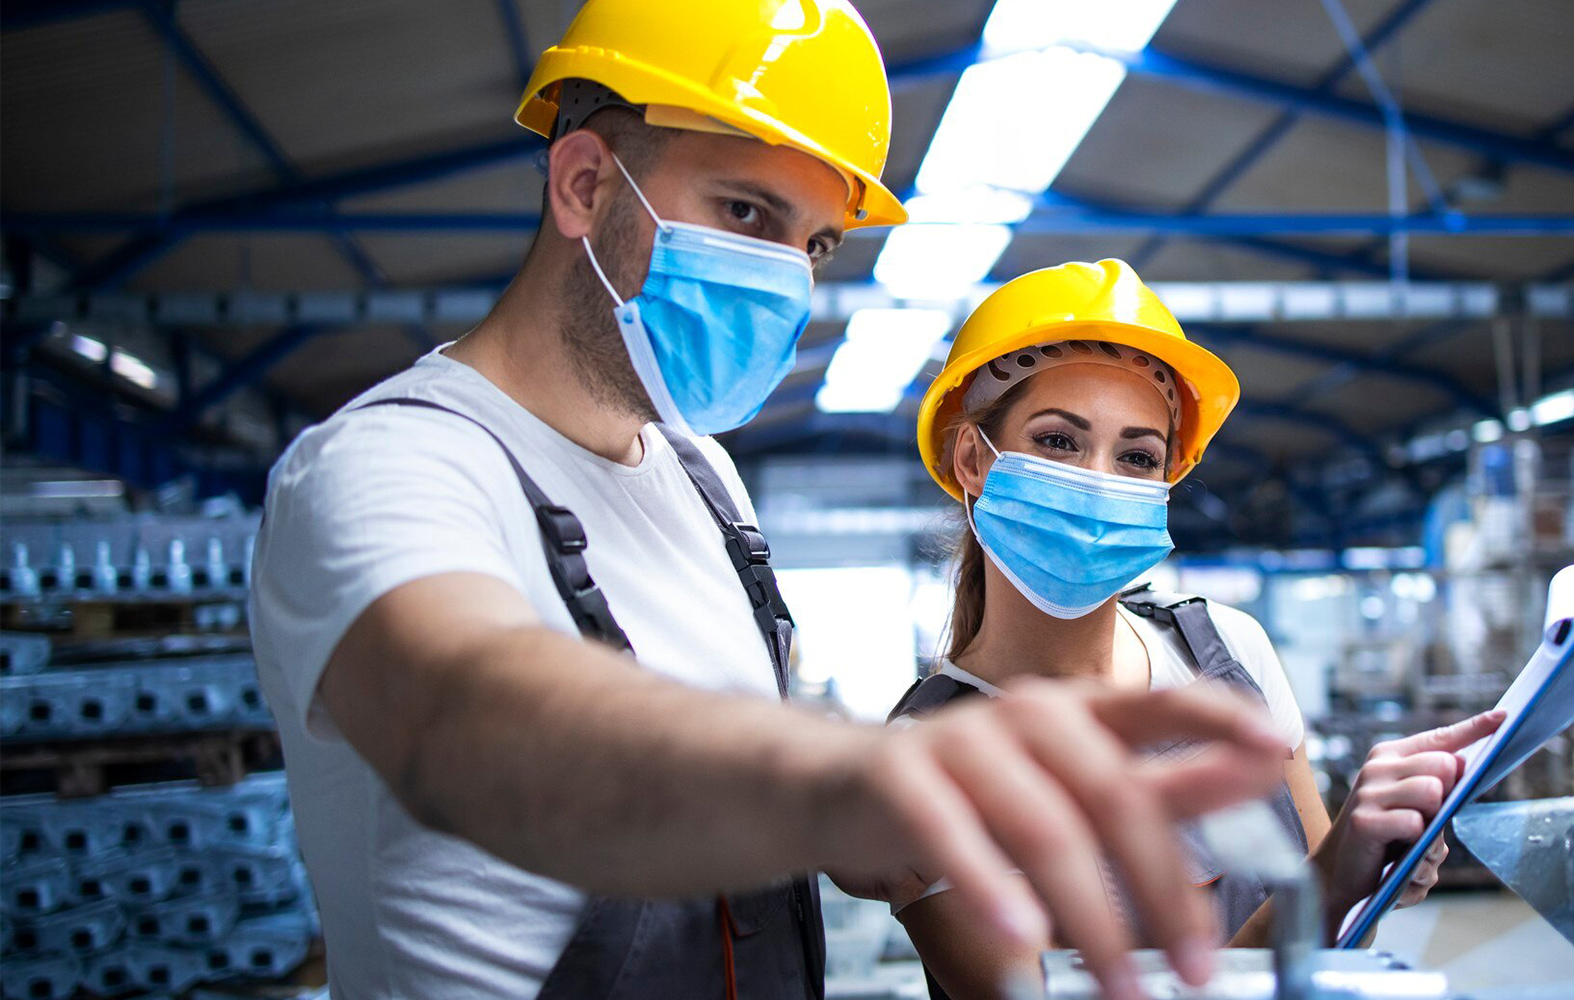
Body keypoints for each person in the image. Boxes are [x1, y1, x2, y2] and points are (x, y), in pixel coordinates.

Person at [248, 6, 1297, 1000]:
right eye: (745, 212)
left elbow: (773, 792)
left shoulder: (703, 485)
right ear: (582, 183)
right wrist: (850, 779)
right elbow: (475, 714)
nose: (784, 279)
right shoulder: (390, 467)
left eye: (814, 244)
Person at [881, 260, 1503, 1000]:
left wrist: (1367, 865)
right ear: (972, 460)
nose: (1101, 481)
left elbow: (1333, 942)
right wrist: (1332, 875)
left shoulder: (1229, 652)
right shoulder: (923, 762)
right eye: (1057, 442)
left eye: (1138, 457)